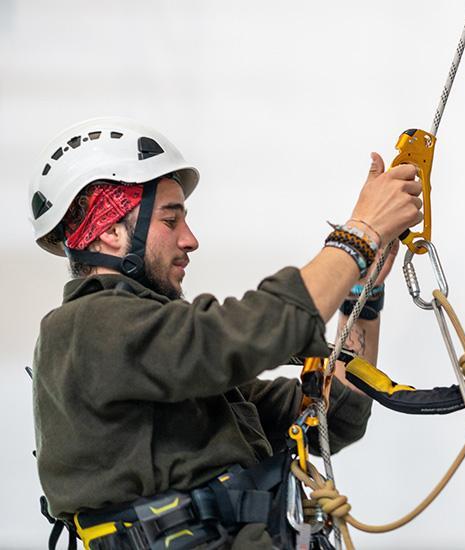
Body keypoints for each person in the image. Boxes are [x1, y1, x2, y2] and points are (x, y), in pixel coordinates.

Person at [27, 117, 423, 549]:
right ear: (110, 231)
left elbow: (332, 413)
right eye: (170, 220)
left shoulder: (178, 372)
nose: (190, 239)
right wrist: (361, 233)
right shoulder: (85, 327)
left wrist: (363, 288)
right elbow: (241, 334)